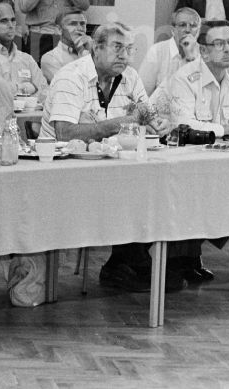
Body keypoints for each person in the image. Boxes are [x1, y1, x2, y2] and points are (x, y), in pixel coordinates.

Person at [41, 22, 169, 291]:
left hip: (113, 169)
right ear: (95, 49)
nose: (124, 55)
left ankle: (130, 262)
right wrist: (120, 123)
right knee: (134, 192)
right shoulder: (71, 77)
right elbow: (63, 133)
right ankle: (129, 263)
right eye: (117, 47)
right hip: (63, 171)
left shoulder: (130, 77)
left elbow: (148, 115)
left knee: (157, 188)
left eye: (129, 49)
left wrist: (160, 123)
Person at [163, 19, 229, 283]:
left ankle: (189, 255)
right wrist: (226, 128)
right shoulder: (185, 78)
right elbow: (183, 125)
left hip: (216, 157)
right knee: (197, 189)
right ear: (204, 50)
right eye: (219, 44)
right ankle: (179, 258)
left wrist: (224, 129)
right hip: (176, 155)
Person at [0, 0, 47, 100]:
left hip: (30, 115)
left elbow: (45, 92)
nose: (11, 25)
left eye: (13, 20)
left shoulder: (27, 59)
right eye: (4, 21)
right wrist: (28, 88)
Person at [138, 7, 200, 97]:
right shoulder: (156, 51)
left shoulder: (203, 54)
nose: (187, 30)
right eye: (182, 25)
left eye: (193, 25)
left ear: (198, 31)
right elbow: (141, 95)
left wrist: (191, 58)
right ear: (173, 30)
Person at [39, 8, 91, 82]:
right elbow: (70, 86)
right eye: (73, 24)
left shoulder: (94, 51)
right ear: (59, 30)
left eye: (82, 24)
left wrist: (90, 51)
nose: (79, 28)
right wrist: (83, 54)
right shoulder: (50, 58)